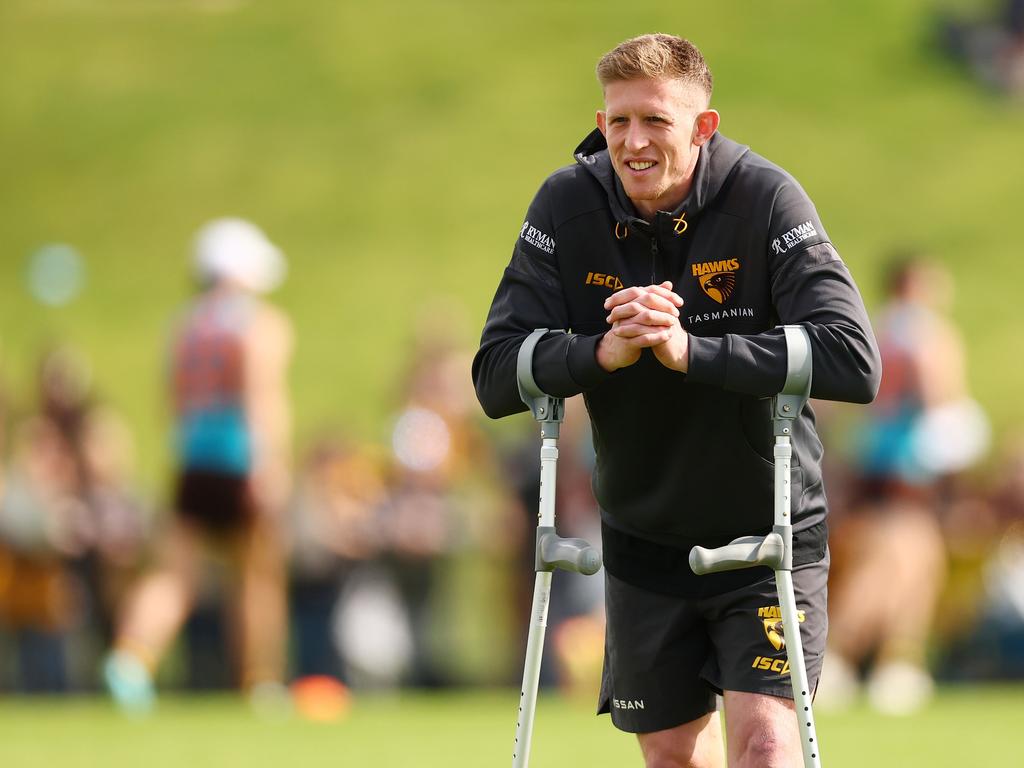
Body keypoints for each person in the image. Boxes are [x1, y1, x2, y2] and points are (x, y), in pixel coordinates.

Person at [472, 34, 881, 767]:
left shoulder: (765, 198)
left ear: (703, 127)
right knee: (670, 757)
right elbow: (495, 372)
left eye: (656, 121)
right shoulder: (564, 206)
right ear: (601, 126)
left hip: (768, 532)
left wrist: (692, 352)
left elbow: (853, 357)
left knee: (764, 744)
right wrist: (600, 352)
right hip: (642, 534)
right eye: (619, 122)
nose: (634, 142)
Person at [103, 217, 293, 711]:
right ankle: (259, 681)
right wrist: (267, 464)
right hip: (240, 459)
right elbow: (261, 397)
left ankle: (132, 657)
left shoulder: (184, 326)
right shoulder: (258, 323)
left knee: (174, 575)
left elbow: (172, 403)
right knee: (256, 574)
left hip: (192, 460)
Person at [819, 255, 988, 714]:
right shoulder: (920, 336)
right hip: (905, 475)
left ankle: (896, 662)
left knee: (913, 562)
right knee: (899, 563)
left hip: (875, 473)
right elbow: (940, 403)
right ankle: (844, 658)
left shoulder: (870, 331)